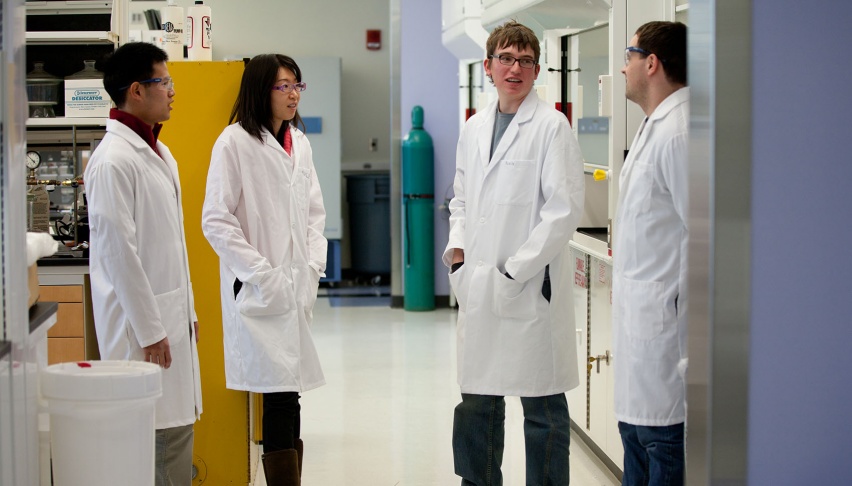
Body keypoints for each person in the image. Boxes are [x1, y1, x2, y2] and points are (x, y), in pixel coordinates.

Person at [443, 20, 585, 485]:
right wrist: (458, 253)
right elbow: (460, 197)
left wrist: (514, 271)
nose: (515, 68)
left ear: (538, 70)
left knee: (542, 410)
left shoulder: (551, 127)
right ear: (487, 66)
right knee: (476, 403)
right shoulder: (475, 127)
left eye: (526, 60)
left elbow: (562, 213)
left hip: (528, 291)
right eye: (506, 58)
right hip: (479, 286)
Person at [201, 54, 326, 486]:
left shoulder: (300, 144)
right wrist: (262, 273)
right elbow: (215, 219)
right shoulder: (233, 143)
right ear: (260, 90)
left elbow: (314, 214)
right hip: (261, 288)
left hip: (295, 286)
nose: (293, 94)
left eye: (297, 85)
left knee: (289, 394)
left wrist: (312, 265)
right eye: (283, 86)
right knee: (279, 396)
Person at [85, 42, 202, 486]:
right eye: (165, 82)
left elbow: (170, 248)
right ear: (136, 90)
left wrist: (186, 316)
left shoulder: (159, 153)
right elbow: (119, 254)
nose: (172, 91)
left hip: (168, 322)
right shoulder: (112, 162)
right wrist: (153, 331)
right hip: (143, 332)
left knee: (175, 434)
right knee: (158, 440)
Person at [613, 21, 689, 486]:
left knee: (661, 460)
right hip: (640, 347)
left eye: (628, 56)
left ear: (652, 62)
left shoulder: (678, 132)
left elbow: (704, 239)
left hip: (665, 351)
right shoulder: (655, 127)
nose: (623, 68)